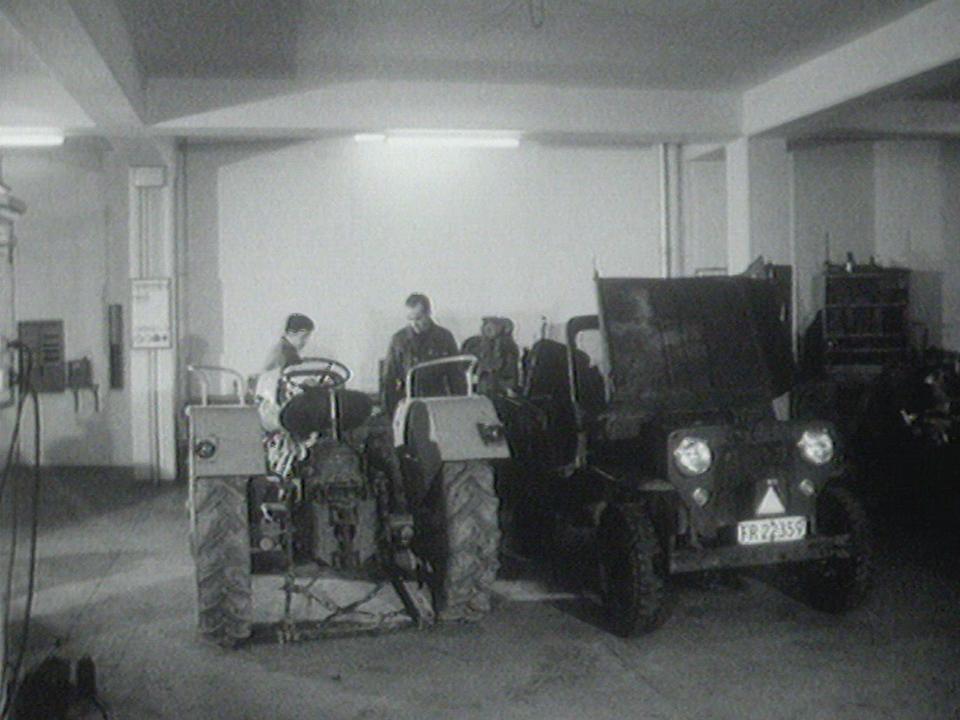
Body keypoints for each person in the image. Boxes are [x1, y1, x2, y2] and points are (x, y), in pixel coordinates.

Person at [383, 293, 465, 413]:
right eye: (410, 319)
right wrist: (391, 412)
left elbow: (456, 376)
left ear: (428, 313)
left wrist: (459, 406)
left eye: (418, 318)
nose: (414, 324)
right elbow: (389, 378)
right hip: (408, 404)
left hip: (437, 403)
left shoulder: (444, 338)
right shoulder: (399, 340)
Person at [461, 316, 519, 396]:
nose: (489, 329)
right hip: (477, 390)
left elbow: (510, 371)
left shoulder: (508, 347)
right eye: (486, 325)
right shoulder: (473, 344)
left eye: (494, 326)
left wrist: (508, 388)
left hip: (499, 391)